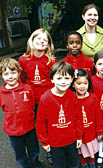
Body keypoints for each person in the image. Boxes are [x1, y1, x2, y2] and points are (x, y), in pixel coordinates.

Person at [18, 28, 56, 164]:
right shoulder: (23, 60)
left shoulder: (51, 61)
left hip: (47, 100)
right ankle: (35, 155)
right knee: (34, 127)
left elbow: (55, 80)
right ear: (32, 41)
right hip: (30, 100)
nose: (41, 42)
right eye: (38, 39)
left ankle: (51, 150)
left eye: (45, 40)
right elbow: (21, 80)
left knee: (50, 126)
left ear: (48, 44)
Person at [36, 62, 83, 168]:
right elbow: (41, 122)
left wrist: (79, 136)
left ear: (72, 80)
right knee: (60, 164)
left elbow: (78, 117)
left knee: (74, 164)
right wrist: (45, 141)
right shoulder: (45, 98)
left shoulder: (72, 96)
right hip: (55, 142)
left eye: (67, 78)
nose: (63, 82)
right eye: (59, 78)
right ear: (52, 79)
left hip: (71, 140)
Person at [0, 58, 42, 168]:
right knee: (19, 152)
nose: (10, 76)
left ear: (19, 73)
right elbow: (3, 107)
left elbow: (32, 104)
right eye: (6, 74)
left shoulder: (27, 88)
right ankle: (25, 165)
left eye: (13, 72)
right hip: (12, 130)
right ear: (1, 76)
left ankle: (35, 163)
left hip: (29, 126)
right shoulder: (1, 93)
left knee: (33, 148)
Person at [72, 69, 103, 168]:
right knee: (81, 150)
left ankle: (92, 163)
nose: (82, 86)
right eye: (79, 83)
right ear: (73, 85)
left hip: (90, 131)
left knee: (91, 149)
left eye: (85, 83)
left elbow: (98, 115)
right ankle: (84, 164)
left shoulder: (92, 98)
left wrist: (99, 131)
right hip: (78, 133)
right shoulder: (71, 99)